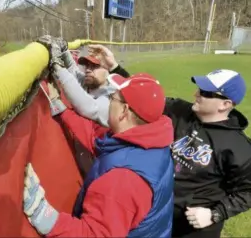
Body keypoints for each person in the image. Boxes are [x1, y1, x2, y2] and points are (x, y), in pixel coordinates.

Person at [89, 44, 251, 238]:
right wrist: (115, 67)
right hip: (159, 213)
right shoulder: (180, 111)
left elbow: (247, 191)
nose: (196, 94)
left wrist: (215, 214)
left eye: (206, 93)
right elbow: (142, 97)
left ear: (226, 104)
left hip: (192, 229)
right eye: (199, 88)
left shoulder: (238, 147)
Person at [23, 72, 175, 237]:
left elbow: (95, 234)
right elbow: (97, 138)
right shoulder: (153, 141)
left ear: (124, 111)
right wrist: (61, 110)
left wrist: (44, 215)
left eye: (112, 98)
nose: (109, 102)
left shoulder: (122, 179)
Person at [37, 35, 120, 127]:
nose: (88, 69)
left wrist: (56, 65)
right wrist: (64, 49)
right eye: (87, 65)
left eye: (94, 66)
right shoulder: (88, 82)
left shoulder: (112, 96)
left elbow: (90, 108)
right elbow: (72, 69)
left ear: (108, 71)